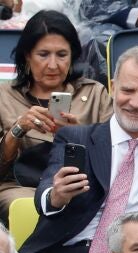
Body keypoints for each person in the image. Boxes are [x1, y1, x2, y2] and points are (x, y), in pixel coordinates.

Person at [19, 46, 138, 253]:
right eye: (128, 91)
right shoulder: (75, 137)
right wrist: (57, 196)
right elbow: (45, 197)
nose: (136, 103)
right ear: (113, 88)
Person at [0, 10, 113, 226]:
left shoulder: (94, 93)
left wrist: (80, 134)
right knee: (29, 206)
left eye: (62, 55)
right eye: (43, 54)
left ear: (72, 56)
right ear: (27, 55)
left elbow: (116, 157)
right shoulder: (4, 96)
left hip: (80, 186)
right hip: (21, 187)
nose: (53, 65)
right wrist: (17, 130)